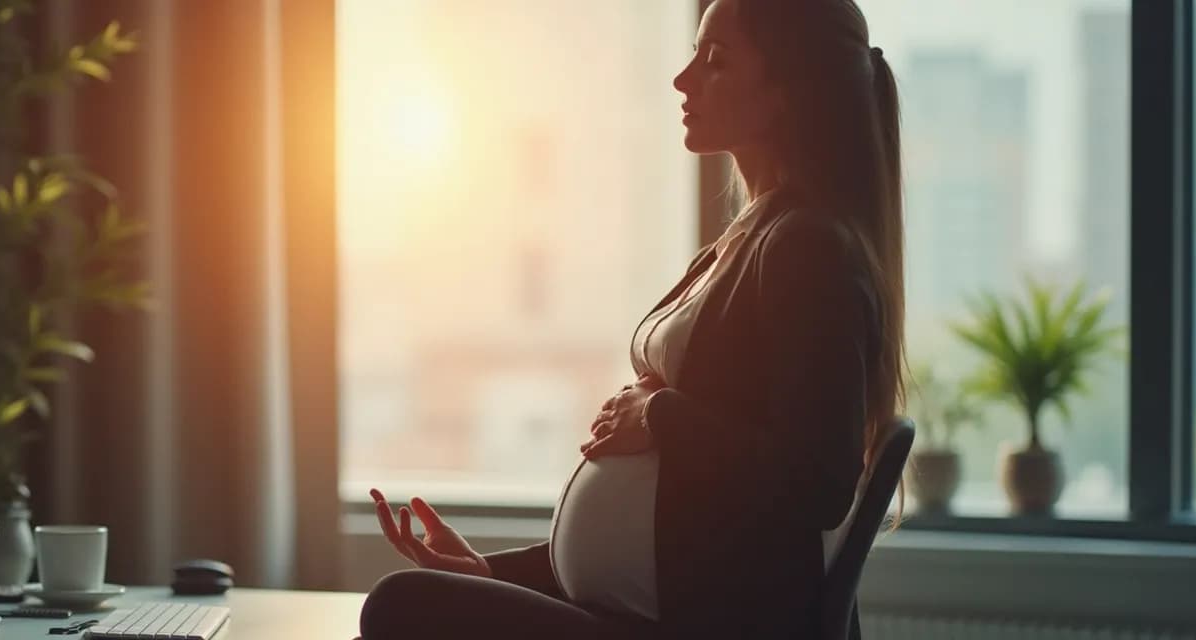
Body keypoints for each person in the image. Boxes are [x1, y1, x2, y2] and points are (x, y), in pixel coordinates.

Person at [357, 0, 905, 637]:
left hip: (699, 625)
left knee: (399, 606)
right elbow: (672, 520)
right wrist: (491, 572)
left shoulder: (808, 248)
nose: (683, 79)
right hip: (652, 609)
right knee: (408, 602)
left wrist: (656, 415)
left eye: (716, 61)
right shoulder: (753, 237)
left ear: (788, 90)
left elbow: (817, 480)